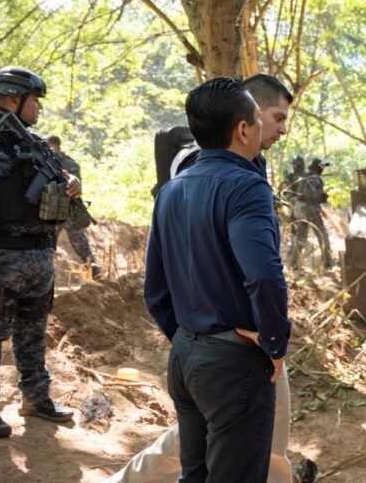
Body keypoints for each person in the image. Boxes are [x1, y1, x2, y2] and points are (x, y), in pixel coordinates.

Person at [112, 74, 302, 483]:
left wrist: (188, 337)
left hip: (186, 356)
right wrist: (272, 342)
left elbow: (155, 288)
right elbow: (264, 277)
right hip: (234, 360)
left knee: (193, 473)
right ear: (243, 128)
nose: (276, 130)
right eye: (262, 118)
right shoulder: (247, 185)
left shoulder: (173, 188)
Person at [0, 66, 81, 438]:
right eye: (33, 99)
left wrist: (70, 181)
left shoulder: (32, 142)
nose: (38, 107)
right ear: (11, 99)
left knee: (33, 331)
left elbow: (60, 177)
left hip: (39, 254)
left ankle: (36, 399)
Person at [45, 135, 100, 280]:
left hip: (66, 212)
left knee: (81, 246)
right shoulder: (49, 161)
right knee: (48, 246)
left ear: (56, 146)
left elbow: (75, 187)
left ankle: (94, 272)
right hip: (55, 212)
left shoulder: (68, 164)